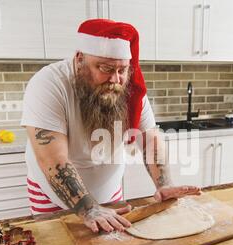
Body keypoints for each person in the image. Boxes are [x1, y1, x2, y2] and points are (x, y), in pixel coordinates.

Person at [21, 19, 200, 233]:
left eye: (122, 70)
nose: (115, 79)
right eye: (105, 68)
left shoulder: (129, 89)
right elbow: (52, 158)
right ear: (80, 59)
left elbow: (150, 137)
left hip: (110, 192)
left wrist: (164, 184)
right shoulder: (48, 84)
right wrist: (88, 209)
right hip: (52, 197)